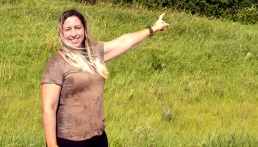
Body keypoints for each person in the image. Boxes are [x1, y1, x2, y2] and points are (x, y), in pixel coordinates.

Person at [41, 8, 169, 147]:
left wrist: (153, 29)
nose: (73, 34)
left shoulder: (95, 52)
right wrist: (52, 144)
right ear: (61, 32)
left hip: (98, 138)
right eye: (68, 29)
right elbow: (49, 108)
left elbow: (124, 41)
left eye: (77, 28)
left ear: (84, 29)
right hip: (70, 140)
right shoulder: (56, 64)